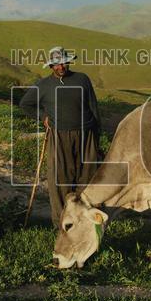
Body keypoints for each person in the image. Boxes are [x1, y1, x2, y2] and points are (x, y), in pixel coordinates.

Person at [19, 46, 102, 229]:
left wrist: (97, 136)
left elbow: (93, 106)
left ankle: (86, 221)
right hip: (59, 135)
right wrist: (43, 117)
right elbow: (26, 104)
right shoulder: (43, 85)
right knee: (61, 179)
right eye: (57, 64)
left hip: (86, 134)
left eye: (64, 62)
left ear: (69, 62)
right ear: (51, 66)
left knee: (87, 178)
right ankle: (62, 224)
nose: (61, 66)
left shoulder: (82, 79)